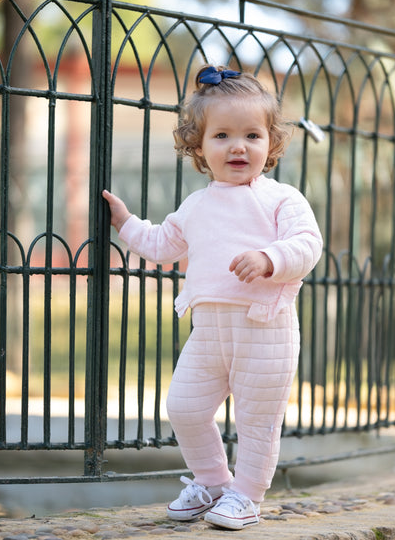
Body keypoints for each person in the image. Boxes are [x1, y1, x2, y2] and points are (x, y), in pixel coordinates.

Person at [102, 64, 323, 530]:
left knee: (256, 419)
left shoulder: (282, 199)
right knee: (184, 406)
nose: (238, 146)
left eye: (252, 135)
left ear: (271, 143)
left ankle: (246, 494)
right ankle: (213, 481)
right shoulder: (196, 206)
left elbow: (308, 245)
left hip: (265, 328)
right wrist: (125, 223)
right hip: (208, 331)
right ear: (199, 148)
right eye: (221, 135)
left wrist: (269, 257)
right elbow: (163, 244)